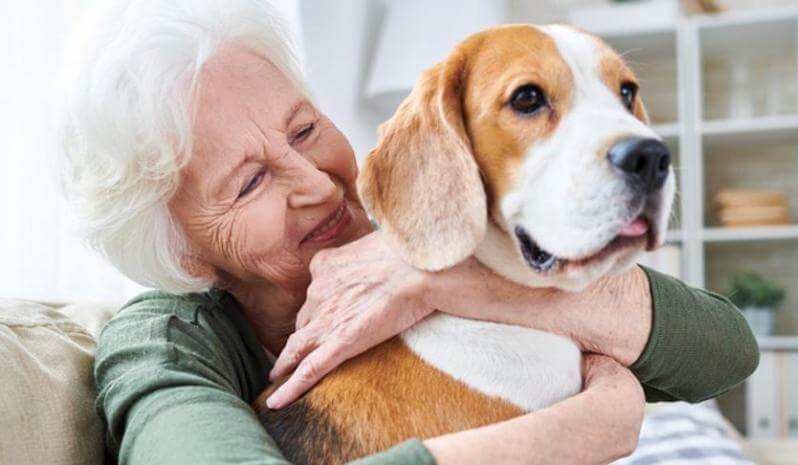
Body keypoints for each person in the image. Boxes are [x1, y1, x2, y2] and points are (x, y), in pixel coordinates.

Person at [58, 1, 758, 464]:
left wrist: (437, 276)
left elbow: (726, 349)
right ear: (182, 247)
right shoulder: (162, 342)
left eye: (305, 129)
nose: (313, 180)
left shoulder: (439, 231)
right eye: (250, 182)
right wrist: (578, 430)